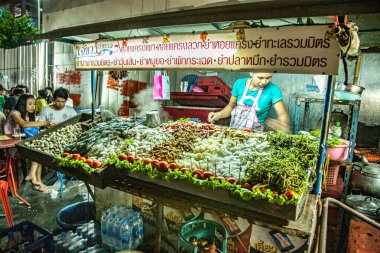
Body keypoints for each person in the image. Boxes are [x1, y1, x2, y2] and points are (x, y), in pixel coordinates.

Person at [208, 72, 290, 132]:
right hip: (234, 133)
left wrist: (281, 124)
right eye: (260, 78)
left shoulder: (273, 90)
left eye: (268, 78)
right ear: (251, 73)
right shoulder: (239, 83)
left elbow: (283, 114)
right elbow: (230, 107)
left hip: (255, 137)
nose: (264, 82)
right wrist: (218, 115)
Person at [3, 94, 54, 192]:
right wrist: (46, 122)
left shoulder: (28, 116)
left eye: (34, 104)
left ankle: (35, 179)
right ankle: (35, 178)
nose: (33, 106)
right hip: (11, 147)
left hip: (20, 144)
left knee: (39, 152)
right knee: (37, 153)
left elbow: (27, 131)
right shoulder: (14, 113)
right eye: (30, 104)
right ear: (22, 104)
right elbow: (24, 124)